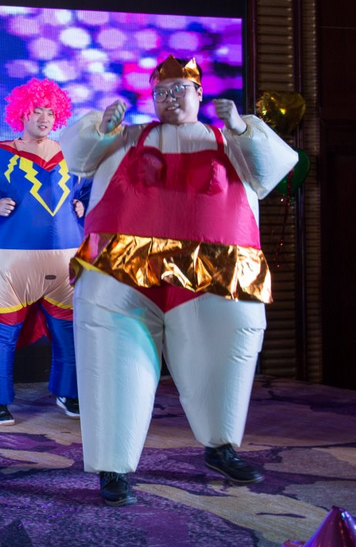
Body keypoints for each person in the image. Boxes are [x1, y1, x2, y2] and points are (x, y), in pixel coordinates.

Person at [59, 56, 298, 507]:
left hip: (217, 270)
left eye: (178, 90)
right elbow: (77, 159)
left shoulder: (228, 140)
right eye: (161, 92)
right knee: (111, 362)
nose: (169, 99)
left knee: (223, 359)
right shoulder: (126, 138)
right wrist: (100, 128)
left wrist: (242, 129)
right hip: (122, 269)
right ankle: (112, 465)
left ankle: (221, 445)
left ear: (199, 93)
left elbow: (269, 173)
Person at [0, 78, 89, 426]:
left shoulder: (73, 155)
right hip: (2, 265)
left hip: (67, 263)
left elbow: (94, 187)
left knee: (74, 330)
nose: (44, 118)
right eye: (37, 110)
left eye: (51, 112)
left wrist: (85, 203)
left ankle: (70, 392)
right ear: (22, 113)